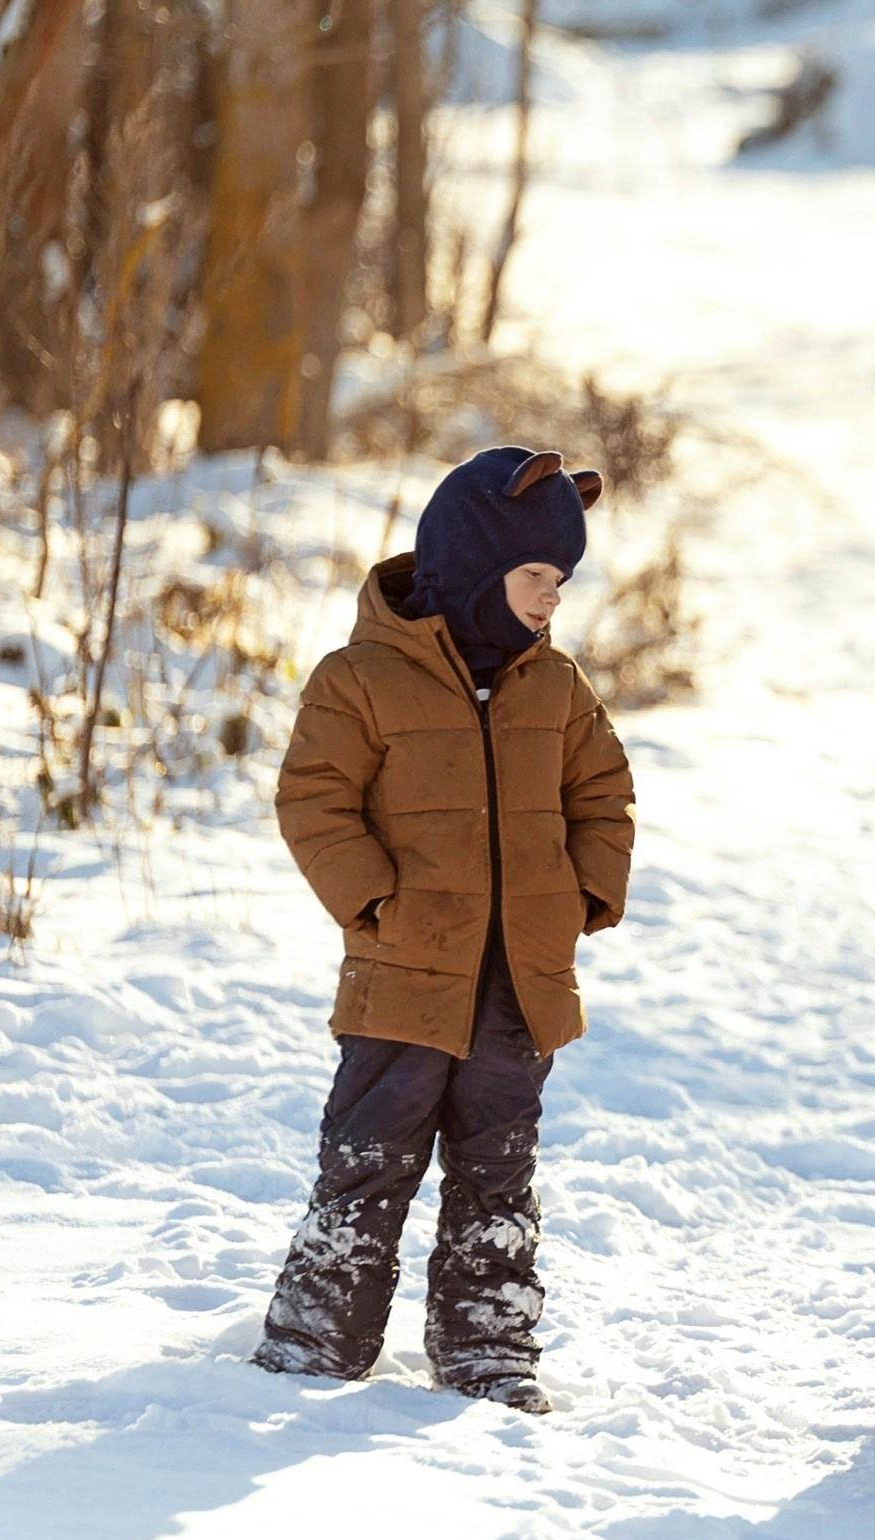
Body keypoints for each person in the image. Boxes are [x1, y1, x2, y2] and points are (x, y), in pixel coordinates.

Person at [250, 446, 636, 1415]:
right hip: (403, 975)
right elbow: (313, 799)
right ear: (472, 565)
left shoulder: (555, 688)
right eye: (536, 576)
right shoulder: (361, 679)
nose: (552, 600)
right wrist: (374, 901)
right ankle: (317, 1333)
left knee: (498, 1170)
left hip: (518, 983)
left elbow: (604, 793)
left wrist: (581, 896)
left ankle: (488, 1348)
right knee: (369, 1157)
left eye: (562, 581)